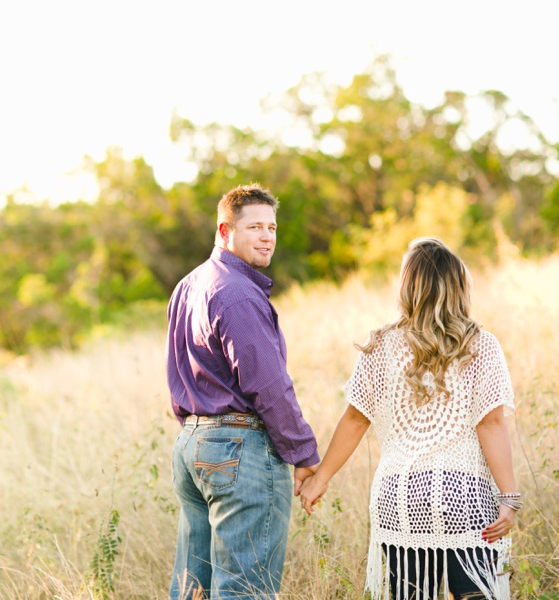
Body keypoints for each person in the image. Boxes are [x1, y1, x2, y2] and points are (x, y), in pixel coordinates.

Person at [298, 237, 519, 600]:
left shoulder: (379, 345)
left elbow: (355, 420)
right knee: (476, 595)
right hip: (464, 498)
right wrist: (509, 497)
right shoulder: (481, 344)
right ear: (460, 287)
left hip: (400, 498)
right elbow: (490, 423)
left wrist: (321, 478)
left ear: (407, 288)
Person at [165, 183, 320, 599]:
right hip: (239, 450)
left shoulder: (189, 285)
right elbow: (269, 386)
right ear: (225, 230)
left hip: (192, 445)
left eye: (271, 227)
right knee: (245, 590)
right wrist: (303, 454)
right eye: (254, 227)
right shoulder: (236, 293)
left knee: (191, 588)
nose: (267, 236)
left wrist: (199, 434)